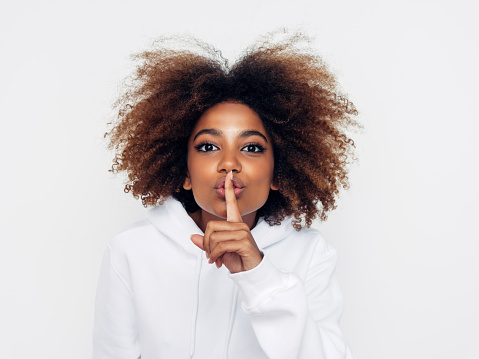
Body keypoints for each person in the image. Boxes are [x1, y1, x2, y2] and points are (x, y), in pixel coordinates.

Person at [93, 32, 359, 359]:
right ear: (185, 173)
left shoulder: (311, 254)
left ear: (278, 172)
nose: (229, 163)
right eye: (208, 147)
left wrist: (258, 274)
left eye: (251, 147)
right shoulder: (131, 252)